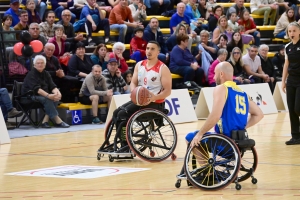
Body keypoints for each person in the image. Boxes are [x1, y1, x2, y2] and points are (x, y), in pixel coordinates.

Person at [187, 61, 264, 149]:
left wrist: (200, 134)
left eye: (215, 74)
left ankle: (204, 163)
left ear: (221, 74)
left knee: (190, 137)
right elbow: (259, 114)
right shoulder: (243, 93)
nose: (214, 77)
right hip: (239, 143)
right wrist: (242, 128)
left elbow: (215, 115)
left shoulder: (221, 88)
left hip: (224, 143)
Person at [111, 41, 172, 146]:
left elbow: (168, 91)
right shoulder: (139, 65)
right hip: (140, 100)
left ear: (158, 52)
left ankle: (126, 146)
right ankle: (122, 140)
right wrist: (134, 91)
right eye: (147, 48)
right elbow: (133, 82)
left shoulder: (163, 68)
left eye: (152, 49)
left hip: (155, 103)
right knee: (116, 112)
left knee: (122, 114)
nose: (149, 51)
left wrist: (154, 97)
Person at [21, 55, 70, 128]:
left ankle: (45, 121)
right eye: (38, 63)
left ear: (45, 64)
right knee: (47, 99)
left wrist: (58, 93)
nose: (40, 64)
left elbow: (52, 86)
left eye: (42, 63)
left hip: (42, 95)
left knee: (55, 99)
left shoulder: (46, 73)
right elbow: (37, 89)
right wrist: (48, 95)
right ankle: (58, 120)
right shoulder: (31, 74)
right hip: (29, 96)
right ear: (34, 65)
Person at [281, 22, 300, 145]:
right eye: (289, 31)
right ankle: (295, 136)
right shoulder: (287, 47)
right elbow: (286, 65)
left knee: (298, 108)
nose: (291, 33)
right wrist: (283, 81)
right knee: (291, 109)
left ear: (299, 32)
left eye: (294, 31)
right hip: (291, 80)